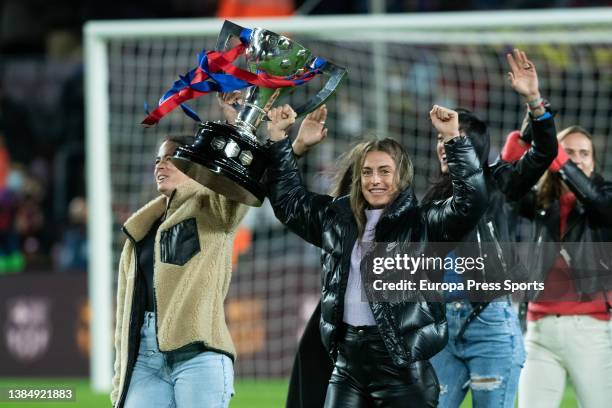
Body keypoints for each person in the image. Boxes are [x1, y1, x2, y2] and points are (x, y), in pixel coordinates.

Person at [111, 95, 331, 408]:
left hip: (197, 354)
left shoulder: (212, 206)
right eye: (158, 159)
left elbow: (246, 183)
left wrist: (239, 124)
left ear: (191, 165)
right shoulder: (140, 229)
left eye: (171, 157)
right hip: (145, 358)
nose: (161, 164)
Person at [266, 103, 487, 407]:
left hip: (401, 367)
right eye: (367, 172)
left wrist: (453, 139)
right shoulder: (336, 219)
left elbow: (470, 203)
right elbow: (287, 202)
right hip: (346, 367)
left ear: (402, 176)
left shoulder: (420, 223)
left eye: (385, 171)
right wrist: (280, 140)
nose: (375, 181)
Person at [425, 48, 558, 407]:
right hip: (440, 324)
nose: (444, 146)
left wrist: (534, 101)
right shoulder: (432, 198)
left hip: (489, 320)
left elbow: (544, 153)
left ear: (476, 147)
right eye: (441, 139)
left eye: (454, 139)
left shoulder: (499, 182)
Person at [516, 125, 612, 408]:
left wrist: (560, 160)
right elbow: (507, 185)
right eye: (569, 152)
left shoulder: (605, 196)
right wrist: (522, 140)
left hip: (590, 331)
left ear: (594, 161)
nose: (578, 159)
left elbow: (598, 204)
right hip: (539, 332)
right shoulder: (540, 200)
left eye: (585, 153)